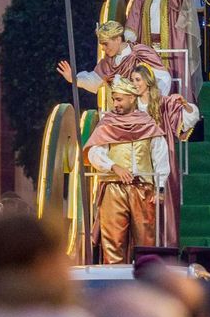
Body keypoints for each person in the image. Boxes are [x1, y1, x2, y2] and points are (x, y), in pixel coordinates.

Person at [83, 75, 170, 264]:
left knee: (146, 241)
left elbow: (161, 158)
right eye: (114, 99)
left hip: (143, 188)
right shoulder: (107, 124)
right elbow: (94, 153)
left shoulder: (147, 124)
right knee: (113, 241)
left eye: (119, 99)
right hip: (114, 187)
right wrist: (113, 166)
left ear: (132, 98)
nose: (115, 104)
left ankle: (147, 285)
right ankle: (113, 287)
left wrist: (160, 188)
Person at [130, 62, 200, 248]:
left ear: (147, 80)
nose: (135, 84)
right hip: (137, 157)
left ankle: (165, 247)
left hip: (161, 157)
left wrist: (185, 105)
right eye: (132, 80)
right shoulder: (131, 103)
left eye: (138, 79)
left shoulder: (163, 102)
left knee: (164, 202)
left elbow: (188, 120)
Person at [123, 0, 203, 100]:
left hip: (172, 46)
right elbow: (133, 20)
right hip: (149, 49)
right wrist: (128, 40)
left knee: (174, 84)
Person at [56, 20, 171, 102]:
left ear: (118, 39)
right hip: (122, 112)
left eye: (106, 44)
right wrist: (74, 79)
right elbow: (93, 79)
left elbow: (164, 78)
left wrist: (149, 102)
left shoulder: (141, 53)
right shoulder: (108, 63)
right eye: (102, 45)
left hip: (146, 110)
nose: (103, 48)